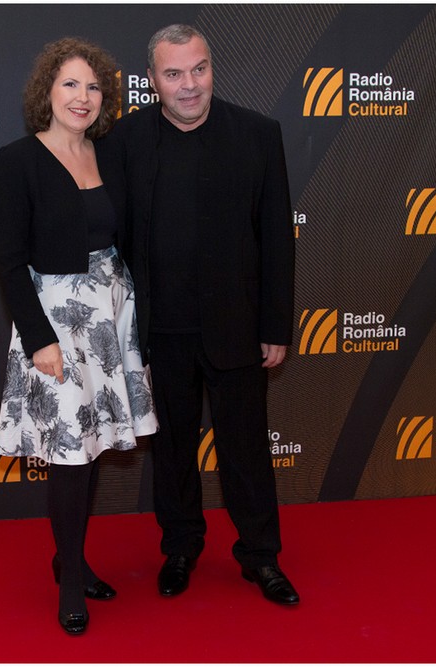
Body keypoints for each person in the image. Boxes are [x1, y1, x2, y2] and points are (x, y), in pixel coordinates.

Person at [108, 24, 300, 605]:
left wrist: (275, 325)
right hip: (159, 330)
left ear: (212, 67)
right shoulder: (124, 140)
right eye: (174, 74)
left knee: (246, 449)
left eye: (199, 69)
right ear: (152, 80)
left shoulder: (258, 135)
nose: (189, 85)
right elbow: (111, 237)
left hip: (237, 327)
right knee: (171, 451)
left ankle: (260, 556)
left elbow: (276, 239)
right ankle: (181, 547)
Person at [0, 37, 158, 635]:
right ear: (47, 91)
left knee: (89, 451)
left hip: (110, 315)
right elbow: (10, 261)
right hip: (56, 322)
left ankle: (75, 560)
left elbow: (125, 240)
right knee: (67, 455)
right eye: (70, 84)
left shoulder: (108, 154)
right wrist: (40, 340)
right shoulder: (18, 159)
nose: (82, 97)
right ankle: (67, 581)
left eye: (93, 86)